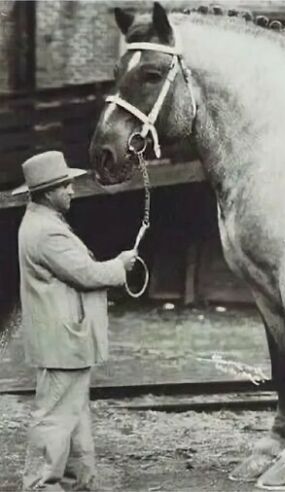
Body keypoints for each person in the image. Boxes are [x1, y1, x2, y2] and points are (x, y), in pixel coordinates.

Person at [13, 151, 137, 491]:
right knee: (55, 418)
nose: (71, 190)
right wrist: (120, 266)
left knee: (73, 416)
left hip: (64, 339)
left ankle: (77, 481)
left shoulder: (44, 223)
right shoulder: (46, 232)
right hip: (62, 341)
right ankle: (40, 485)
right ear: (47, 191)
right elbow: (85, 274)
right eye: (65, 184)